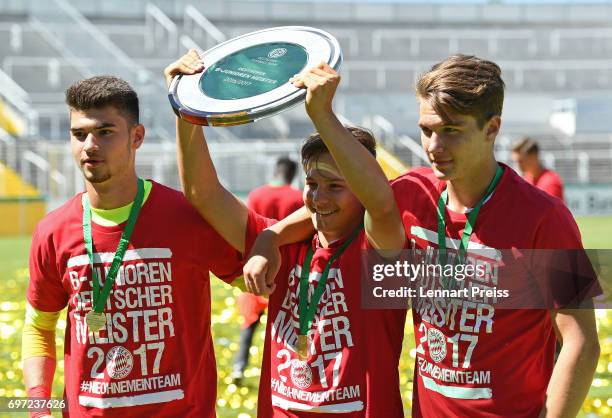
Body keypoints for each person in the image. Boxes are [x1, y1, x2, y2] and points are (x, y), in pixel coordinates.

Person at [244, 54, 600, 417]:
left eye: (451, 131)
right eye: (427, 129)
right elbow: (334, 207)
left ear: (492, 128)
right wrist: (271, 235)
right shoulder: (412, 193)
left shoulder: (546, 217)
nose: (433, 146)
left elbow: (581, 341)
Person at [165, 50, 407, 416]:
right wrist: (187, 110)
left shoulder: (378, 250)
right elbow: (203, 194)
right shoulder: (284, 248)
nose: (319, 197)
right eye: (311, 183)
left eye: (335, 186)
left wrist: (322, 114)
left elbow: (382, 204)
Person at [22, 76, 243, 417]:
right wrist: (38, 406)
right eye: (79, 134)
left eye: (105, 132)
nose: (89, 145)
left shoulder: (187, 217)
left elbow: (261, 280)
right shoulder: (52, 231)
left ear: (136, 137)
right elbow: (39, 326)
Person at [232, 156, 304, 383]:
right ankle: (299, 370)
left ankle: (239, 367)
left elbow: (247, 228)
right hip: (287, 270)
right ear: (293, 175)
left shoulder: (256, 194)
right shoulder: (296, 197)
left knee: (250, 323)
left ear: (276, 171)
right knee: (294, 324)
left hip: (255, 266)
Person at [511, 136, 565, 201]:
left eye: (521, 161)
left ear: (534, 157)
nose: (518, 165)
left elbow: (550, 210)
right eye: (516, 162)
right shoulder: (526, 179)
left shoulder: (551, 182)